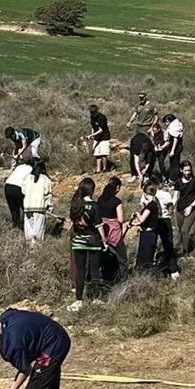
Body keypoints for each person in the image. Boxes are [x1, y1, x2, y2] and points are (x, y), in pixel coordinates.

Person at [67, 178, 103, 310]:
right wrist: (103, 240)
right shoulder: (94, 206)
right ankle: (95, 298)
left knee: (80, 271)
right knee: (94, 270)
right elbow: (99, 225)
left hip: (78, 241)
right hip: (93, 241)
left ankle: (78, 299)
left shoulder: (76, 204)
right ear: (92, 190)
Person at [133, 188, 179, 277]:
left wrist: (137, 215)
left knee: (148, 250)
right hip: (162, 221)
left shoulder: (150, 202)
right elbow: (170, 209)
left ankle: (146, 271)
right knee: (167, 246)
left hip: (152, 226)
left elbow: (142, 214)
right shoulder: (162, 197)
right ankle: (173, 270)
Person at [97, 175, 128, 273]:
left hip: (103, 229)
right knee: (121, 257)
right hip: (114, 232)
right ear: (117, 188)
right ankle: (123, 277)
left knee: (106, 255)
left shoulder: (100, 199)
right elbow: (121, 219)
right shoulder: (117, 201)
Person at [174, 160, 195, 254]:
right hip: (180, 209)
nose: (187, 173)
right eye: (185, 170)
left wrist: (191, 206)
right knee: (180, 231)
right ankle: (182, 248)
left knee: (185, 230)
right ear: (181, 170)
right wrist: (171, 205)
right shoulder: (178, 182)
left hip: (191, 209)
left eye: (189, 170)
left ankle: (185, 252)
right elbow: (176, 196)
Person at [22, 159, 53, 242]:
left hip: (28, 207)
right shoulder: (46, 179)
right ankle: (37, 249)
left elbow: (23, 191)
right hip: (40, 207)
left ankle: (30, 248)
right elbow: (48, 195)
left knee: (29, 230)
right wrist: (49, 207)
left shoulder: (27, 177)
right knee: (38, 231)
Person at [3, 156, 32, 230]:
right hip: (18, 187)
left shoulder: (20, 166)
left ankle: (16, 228)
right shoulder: (32, 169)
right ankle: (28, 228)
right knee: (27, 209)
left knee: (14, 210)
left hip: (8, 186)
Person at [88, 105, 112, 174]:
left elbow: (101, 130)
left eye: (93, 112)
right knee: (97, 154)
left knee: (103, 153)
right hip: (97, 138)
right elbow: (93, 127)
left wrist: (91, 135)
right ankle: (98, 169)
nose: (92, 114)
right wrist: (92, 134)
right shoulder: (92, 117)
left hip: (104, 137)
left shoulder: (102, 117)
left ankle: (104, 169)